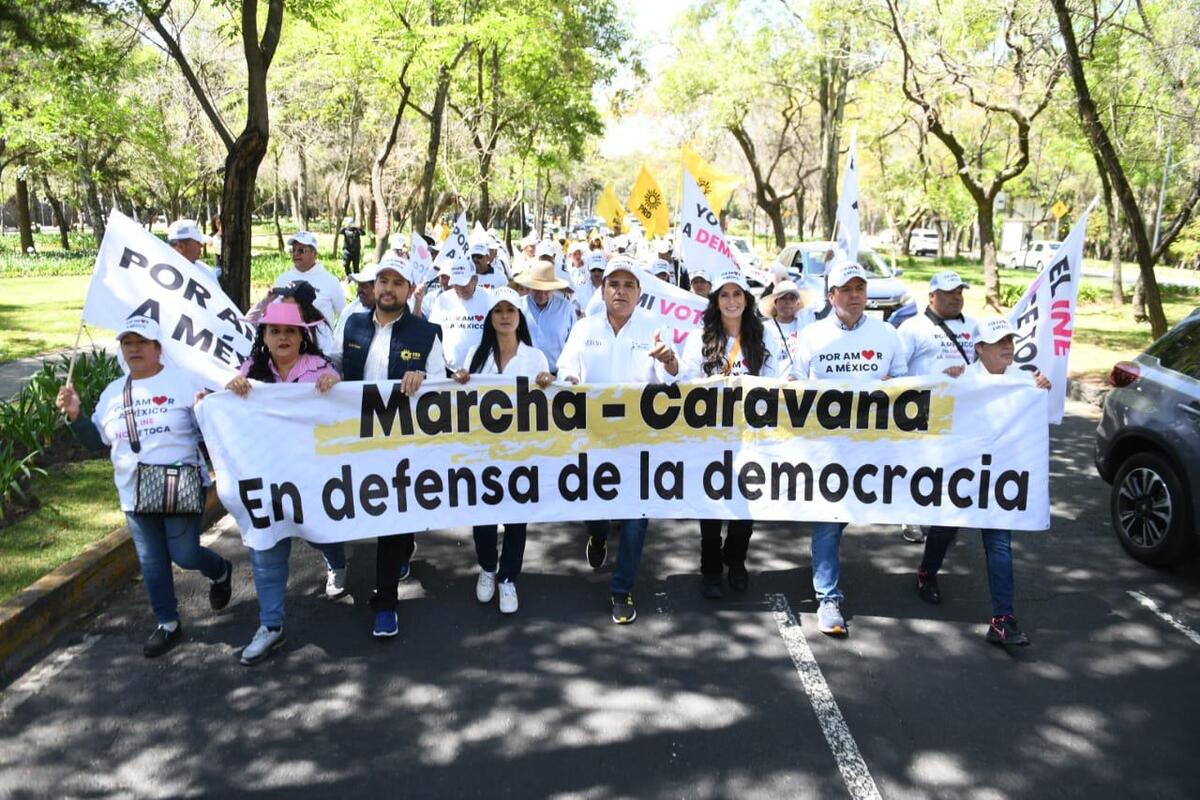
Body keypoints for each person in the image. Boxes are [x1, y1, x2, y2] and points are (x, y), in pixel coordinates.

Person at [55, 316, 233, 659]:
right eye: (128, 343)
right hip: (134, 491)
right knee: (151, 561)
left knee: (185, 554)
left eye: (141, 342)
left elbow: (210, 430)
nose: (134, 349)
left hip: (180, 485)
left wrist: (207, 407)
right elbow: (95, 441)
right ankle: (168, 623)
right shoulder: (112, 393)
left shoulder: (183, 382)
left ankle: (221, 570)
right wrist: (75, 415)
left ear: (157, 348)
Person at [556, 256, 680, 624]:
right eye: (614, 284)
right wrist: (569, 380)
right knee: (593, 510)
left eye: (628, 285)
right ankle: (597, 535)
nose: (620, 292)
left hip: (639, 441)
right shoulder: (585, 328)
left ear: (639, 292)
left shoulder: (655, 327)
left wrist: (669, 360)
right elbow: (566, 368)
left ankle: (621, 589)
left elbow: (672, 379)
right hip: (591, 438)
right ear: (603, 290)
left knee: (635, 518)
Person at [914, 317, 1050, 648]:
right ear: (979, 348)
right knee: (943, 529)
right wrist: (945, 380)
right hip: (961, 474)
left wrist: (1042, 390)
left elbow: (1038, 420)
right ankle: (927, 573)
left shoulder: (1025, 381)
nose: (1007, 346)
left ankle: (1003, 619)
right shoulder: (961, 379)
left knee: (999, 544)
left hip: (999, 478)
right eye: (999, 341)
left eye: (1010, 340)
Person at [222, 301, 342, 665]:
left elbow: (343, 412)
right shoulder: (250, 371)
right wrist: (225, 394)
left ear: (303, 336)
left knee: (323, 534)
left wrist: (335, 387)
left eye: (290, 331)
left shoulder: (321, 370)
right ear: (264, 336)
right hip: (267, 477)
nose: (283, 337)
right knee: (266, 551)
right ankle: (270, 625)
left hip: (312, 477)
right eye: (275, 331)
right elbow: (229, 410)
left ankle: (337, 563)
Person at [793, 260, 909, 636]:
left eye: (860, 288)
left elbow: (906, 385)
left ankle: (925, 574)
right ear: (831, 296)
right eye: (846, 289)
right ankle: (828, 597)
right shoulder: (812, 335)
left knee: (865, 510)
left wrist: (893, 385)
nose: (855, 295)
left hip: (875, 449)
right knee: (829, 519)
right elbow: (793, 381)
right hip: (829, 448)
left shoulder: (887, 334)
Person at [338, 256, 446, 638]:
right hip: (355, 438)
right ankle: (403, 545)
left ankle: (385, 603)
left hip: (402, 443)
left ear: (409, 290)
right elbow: (333, 363)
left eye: (398, 282)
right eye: (383, 280)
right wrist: (326, 376)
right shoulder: (352, 323)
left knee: (390, 518)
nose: (388, 288)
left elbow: (440, 384)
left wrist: (423, 377)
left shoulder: (427, 333)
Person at [679, 267, 792, 598]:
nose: (732, 301)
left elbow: (773, 379)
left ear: (747, 299)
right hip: (710, 436)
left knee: (746, 505)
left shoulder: (764, 334)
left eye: (737, 294)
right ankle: (711, 569)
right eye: (725, 295)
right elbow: (687, 382)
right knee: (712, 505)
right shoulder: (699, 338)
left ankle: (737, 559)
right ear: (716, 301)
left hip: (751, 435)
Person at [452, 287, 554, 615]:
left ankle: (508, 577)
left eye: (511, 310)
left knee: (516, 519)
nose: (505, 316)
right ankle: (487, 568)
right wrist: (460, 380)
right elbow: (462, 399)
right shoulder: (475, 355)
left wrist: (547, 382)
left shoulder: (535, 358)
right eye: (498, 311)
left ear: (519, 316)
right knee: (483, 516)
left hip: (521, 453)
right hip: (483, 452)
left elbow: (547, 401)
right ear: (490, 317)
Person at [896, 270, 979, 543]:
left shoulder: (974, 326)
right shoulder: (912, 328)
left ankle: (944, 523)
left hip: (962, 411)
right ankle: (911, 516)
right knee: (919, 465)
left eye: (960, 291)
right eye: (949, 292)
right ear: (932, 296)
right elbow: (897, 370)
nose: (957, 297)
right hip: (921, 411)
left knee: (952, 466)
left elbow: (985, 364)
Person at [251, 231, 346, 355]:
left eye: (301, 250)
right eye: (293, 250)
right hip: (287, 348)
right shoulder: (283, 278)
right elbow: (268, 313)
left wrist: (337, 344)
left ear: (314, 253)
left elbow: (344, 314)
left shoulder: (330, 281)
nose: (296, 254)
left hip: (321, 350)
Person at [428, 257, 490, 373]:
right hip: (450, 371)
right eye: (456, 284)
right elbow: (434, 331)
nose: (460, 289)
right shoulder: (443, 299)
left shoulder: (489, 298)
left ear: (475, 280)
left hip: (483, 370)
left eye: (463, 284)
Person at [515, 261, 575, 370]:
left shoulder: (566, 309)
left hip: (557, 374)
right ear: (530, 287)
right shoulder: (518, 307)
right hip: (524, 372)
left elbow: (573, 345)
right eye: (537, 289)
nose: (542, 294)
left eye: (546, 290)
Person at [757, 279, 815, 368]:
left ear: (797, 303)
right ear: (775, 303)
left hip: (801, 376)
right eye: (783, 297)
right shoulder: (765, 328)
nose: (787, 302)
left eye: (792, 298)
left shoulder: (804, 324)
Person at [573, 251, 607, 315]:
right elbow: (574, 311)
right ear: (588, 268)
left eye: (600, 269)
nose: (597, 273)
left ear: (605, 268)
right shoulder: (580, 289)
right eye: (593, 269)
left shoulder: (613, 290)